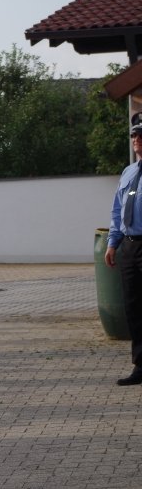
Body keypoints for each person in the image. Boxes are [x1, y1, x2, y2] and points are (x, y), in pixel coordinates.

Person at [105, 118, 142, 386]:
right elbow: (117, 210)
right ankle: (141, 366)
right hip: (129, 245)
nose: (137, 139)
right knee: (134, 308)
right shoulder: (129, 172)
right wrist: (112, 242)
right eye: (134, 135)